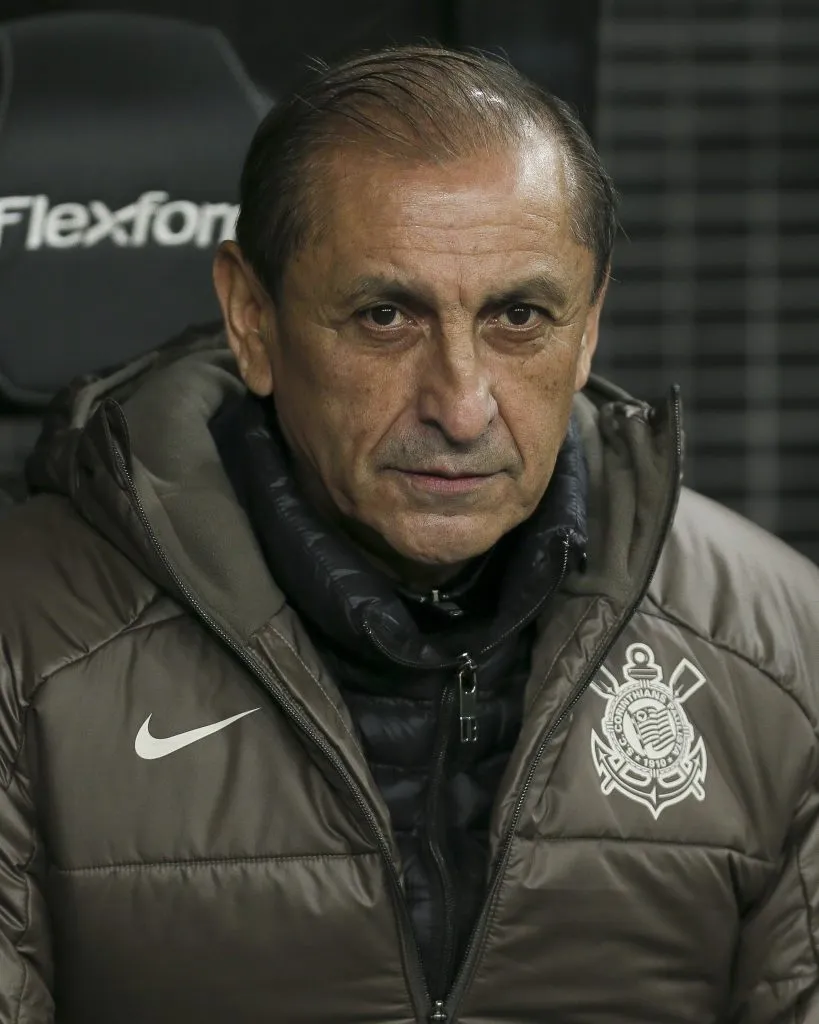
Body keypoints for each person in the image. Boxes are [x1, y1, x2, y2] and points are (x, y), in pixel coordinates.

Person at [0, 44, 817, 1024]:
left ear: (590, 325)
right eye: (386, 315)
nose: (462, 405)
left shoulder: (785, 653)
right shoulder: (24, 639)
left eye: (521, 315)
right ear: (252, 318)